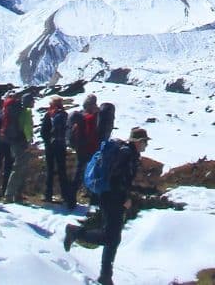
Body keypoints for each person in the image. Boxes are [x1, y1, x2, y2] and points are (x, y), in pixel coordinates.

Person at [64, 126, 149, 285]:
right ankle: (75, 233)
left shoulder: (128, 153)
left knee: (112, 237)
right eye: (145, 142)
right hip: (113, 198)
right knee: (111, 237)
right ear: (138, 141)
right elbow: (117, 179)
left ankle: (106, 275)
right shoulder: (126, 154)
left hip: (109, 196)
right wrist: (124, 199)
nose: (146, 145)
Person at [67, 93, 102, 208]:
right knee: (94, 175)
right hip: (90, 150)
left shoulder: (81, 116)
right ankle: (94, 202)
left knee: (79, 174)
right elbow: (92, 134)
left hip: (81, 149)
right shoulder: (91, 117)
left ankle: (71, 199)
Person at [2, 89, 36, 202]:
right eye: (32, 101)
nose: (34, 103)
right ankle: (11, 194)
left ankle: (15, 194)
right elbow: (26, 127)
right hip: (21, 142)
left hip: (14, 141)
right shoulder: (26, 112)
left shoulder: (18, 110)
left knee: (20, 166)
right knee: (20, 167)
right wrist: (29, 141)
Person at [40, 95, 70, 204]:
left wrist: (47, 141)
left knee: (50, 170)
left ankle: (48, 195)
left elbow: (43, 132)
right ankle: (65, 196)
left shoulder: (49, 115)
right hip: (61, 146)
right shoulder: (65, 115)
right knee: (62, 171)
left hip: (50, 146)